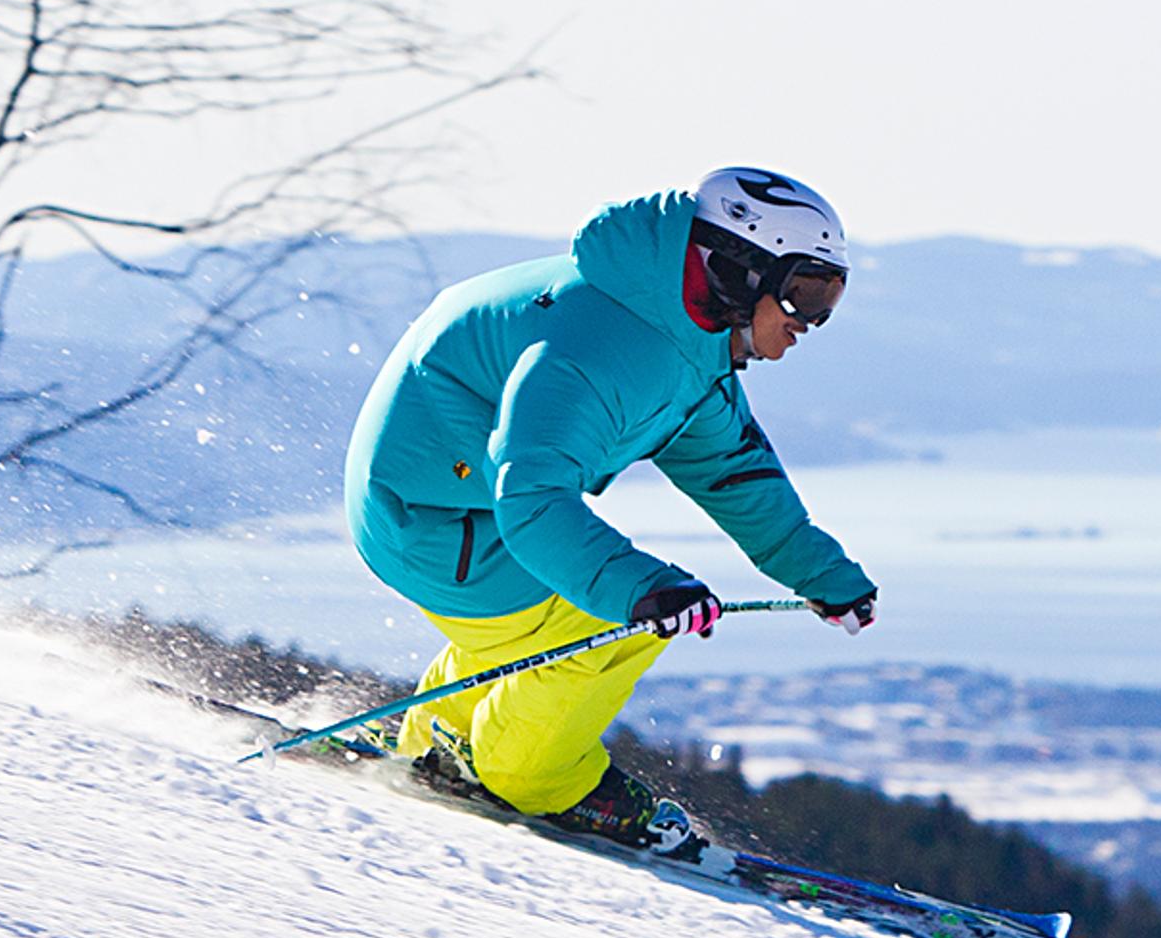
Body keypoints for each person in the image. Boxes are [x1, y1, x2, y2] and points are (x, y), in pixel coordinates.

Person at [343, 167, 878, 850]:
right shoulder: (600, 347)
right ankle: (532, 779)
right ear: (740, 269)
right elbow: (533, 500)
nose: (812, 322)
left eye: (828, 297)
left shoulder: (687, 340)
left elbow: (733, 474)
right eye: (804, 293)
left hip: (456, 508)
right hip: (429, 517)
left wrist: (823, 576)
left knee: (558, 616)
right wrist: (642, 591)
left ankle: (440, 740)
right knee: (607, 619)